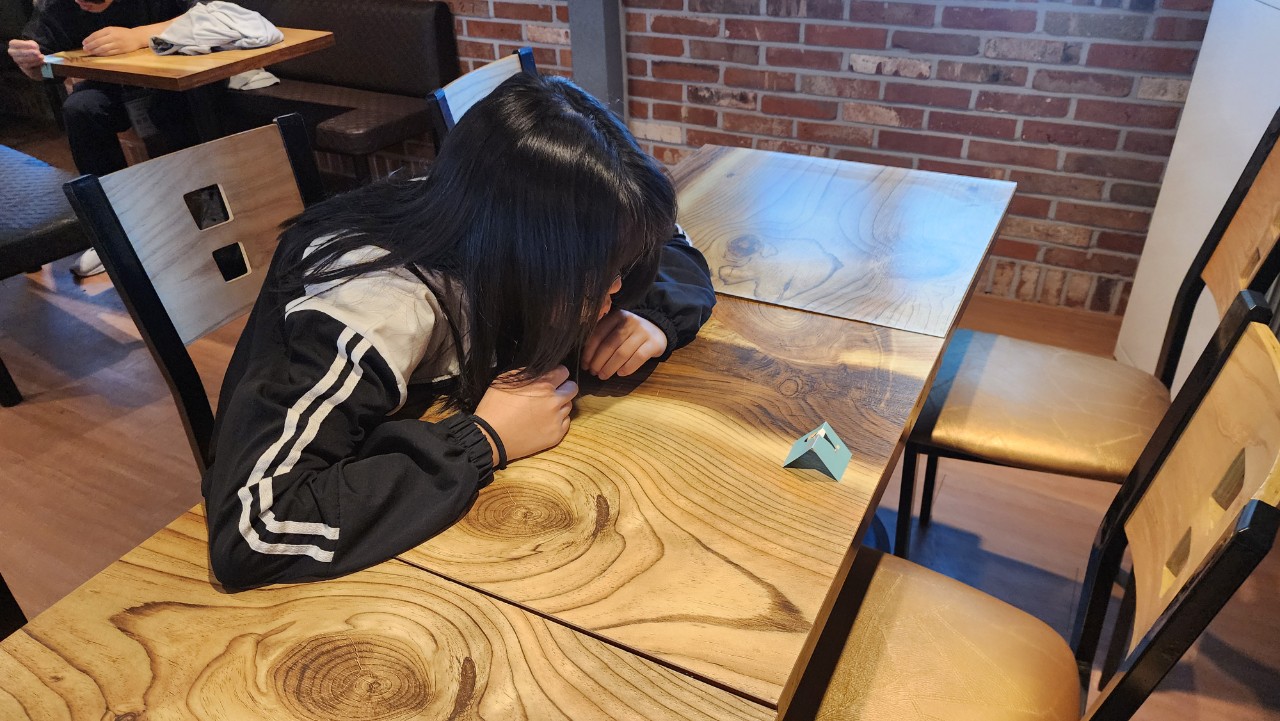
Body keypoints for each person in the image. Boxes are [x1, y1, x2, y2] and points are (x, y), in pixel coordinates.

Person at [202, 73, 716, 590]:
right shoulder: (379, 306)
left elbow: (668, 241)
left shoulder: (493, 214)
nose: (617, 289)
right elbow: (254, 530)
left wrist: (655, 318)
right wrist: (481, 441)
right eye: (600, 273)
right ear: (528, 256)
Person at [8, 0, 197, 277]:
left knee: (172, 109)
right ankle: (113, 230)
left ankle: (195, 217)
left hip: (178, 72)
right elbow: (49, 72)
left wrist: (138, 36)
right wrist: (33, 67)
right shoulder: (57, 8)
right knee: (81, 109)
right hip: (112, 85)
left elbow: (209, 12)